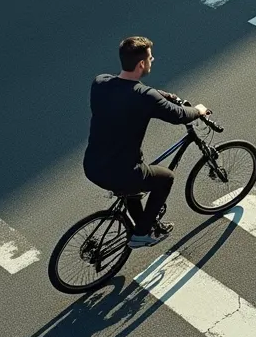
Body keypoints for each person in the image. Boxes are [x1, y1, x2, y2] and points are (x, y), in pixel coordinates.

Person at [82, 36, 210, 248]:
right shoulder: (145, 98)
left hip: (93, 166)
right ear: (142, 64)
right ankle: (141, 234)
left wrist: (166, 95)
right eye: (150, 57)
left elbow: (133, 91)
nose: (153, 60)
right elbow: (179, 115)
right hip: (121, 171)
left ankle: (146, 225)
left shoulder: (100, 82)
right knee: (165, 178)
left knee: (135, 186)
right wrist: (198, 110)